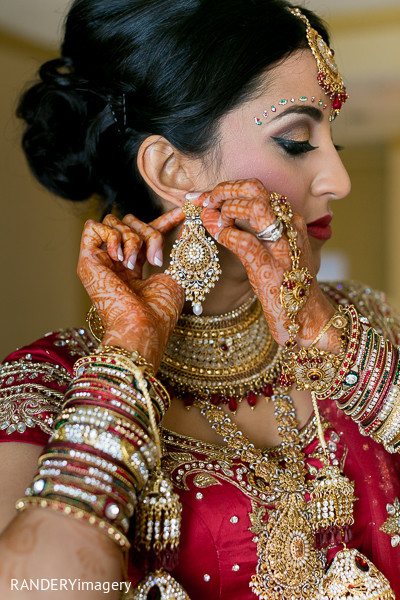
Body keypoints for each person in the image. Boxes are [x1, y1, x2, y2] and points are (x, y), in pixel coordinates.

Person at [0, 0, 399, 598]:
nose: (337, 178)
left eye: (332, 138)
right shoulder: (45, 388)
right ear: (173, 170)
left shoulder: (363, 319)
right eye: (296, 139)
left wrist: (326, 333)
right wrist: (127, 364)